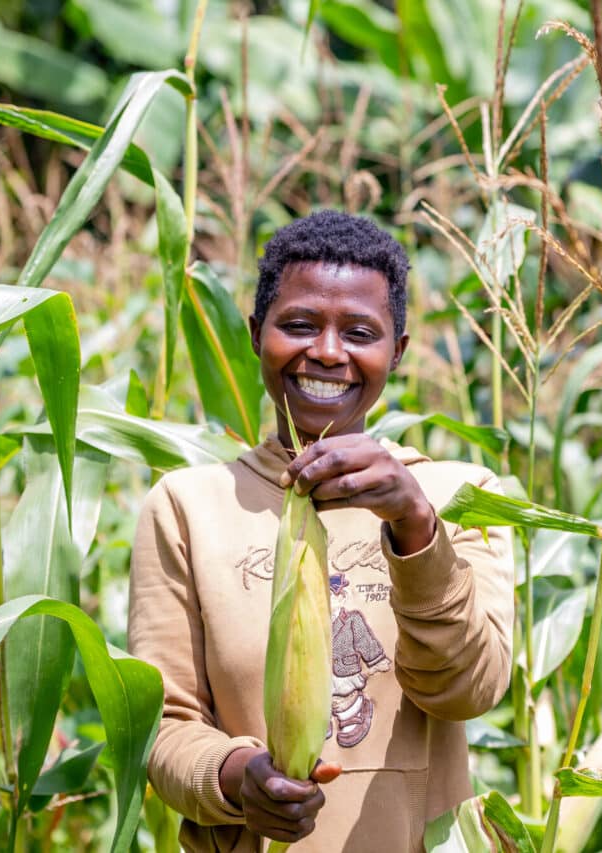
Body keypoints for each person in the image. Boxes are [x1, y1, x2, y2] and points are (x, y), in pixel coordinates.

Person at [127, 210, 515, 851]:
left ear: (398, 349)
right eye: (299, 325)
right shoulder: (186, 506)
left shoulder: (459, 497)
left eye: (360, 332)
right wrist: (235, 778)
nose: (328, 353)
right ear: (256, 335)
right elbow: (163, 728)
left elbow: (469, 690)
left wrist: (414, 526)